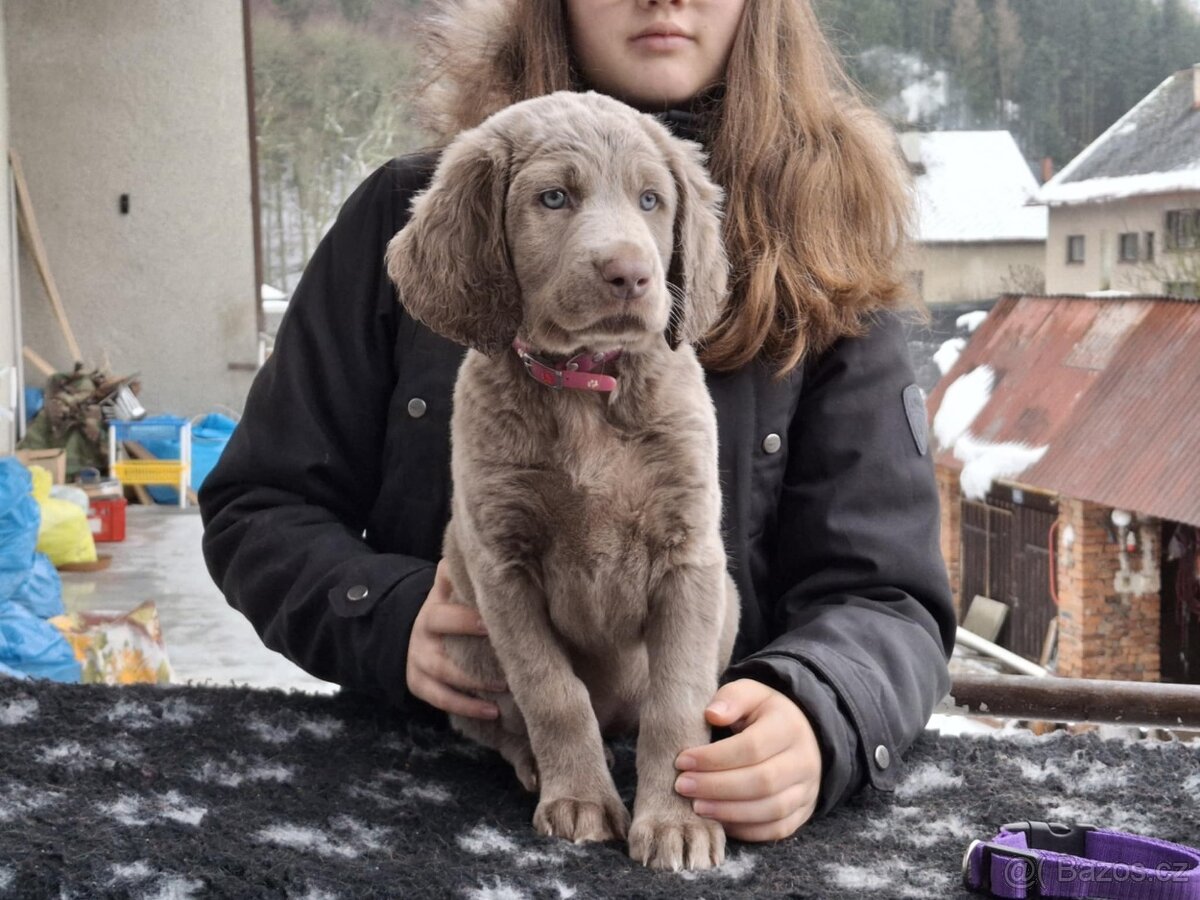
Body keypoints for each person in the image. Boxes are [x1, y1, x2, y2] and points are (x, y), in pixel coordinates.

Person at [200, 0, 955, 845]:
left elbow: (887, 595)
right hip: (424, 798)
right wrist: (386, 616)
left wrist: (822, 707)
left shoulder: (825, 244)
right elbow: (258, 508)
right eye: (553, 199)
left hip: (718, 802)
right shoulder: (414, 211)